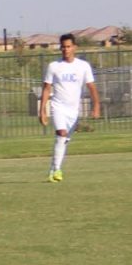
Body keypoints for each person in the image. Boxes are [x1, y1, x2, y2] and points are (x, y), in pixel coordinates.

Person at [39, 33, 101, 182]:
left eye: (68, 47)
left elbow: (91, 87)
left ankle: (53, 169)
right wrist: (42, 110)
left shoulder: (83, 66)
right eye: (63, 47)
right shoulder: (54, 66)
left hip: (73, 110)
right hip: (58, 107)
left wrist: (97, 105)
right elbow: (47, 89)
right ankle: (58, 170)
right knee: (61, 133)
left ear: (74, 47)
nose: (65, 50)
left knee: (64, 140)